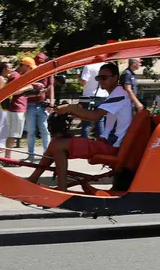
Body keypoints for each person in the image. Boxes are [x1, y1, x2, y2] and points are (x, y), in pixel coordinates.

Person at [27, 62, 134, 192]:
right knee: (55, 143)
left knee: (58, 145)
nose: (100, 81)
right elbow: (91, 116)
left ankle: (62, 189)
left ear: (115, 77)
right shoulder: (114, 94)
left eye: (104, 78)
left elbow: (95, 116)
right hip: (106, 143)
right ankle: (32, 180)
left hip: (110, 146)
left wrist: (69, 108)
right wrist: (71, 111)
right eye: (98, 78)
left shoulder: (119, 93)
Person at [18, 57, 52, 161]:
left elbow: (50, 86)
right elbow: (21, 88)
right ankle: (31, 154)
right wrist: (34, 85)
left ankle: (47, 154)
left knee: (44, 130)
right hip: (30, 104)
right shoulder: (24, 74)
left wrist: (51, 101)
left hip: (42, 104)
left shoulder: (45, 72)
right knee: (31, 131)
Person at [3, 61, 28, 159]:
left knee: (13, 133)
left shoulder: (16, 75)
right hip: (16, 108)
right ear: (24, 66)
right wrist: (28, 87)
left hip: (17, 107)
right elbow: (13, 91)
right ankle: (7, 157)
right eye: (29, 68)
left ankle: (7, 156)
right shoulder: (15, 76)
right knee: (12, 134)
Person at [78, 61, 107, 139]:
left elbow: (84, 81)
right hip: (102, 96)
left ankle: (84, 144)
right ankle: (101, 143)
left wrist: (79, 78)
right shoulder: (106, 65)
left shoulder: (88, 66)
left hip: (88, 96)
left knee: (86, 122)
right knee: (100, 121)